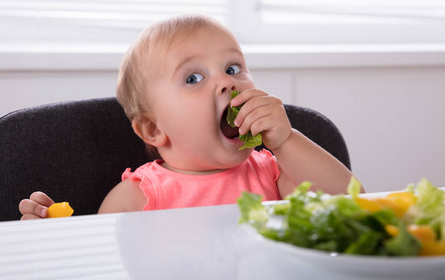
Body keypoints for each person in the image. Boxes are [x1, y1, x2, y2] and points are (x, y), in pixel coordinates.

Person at [19, 15, 355, 220]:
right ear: (153, 129)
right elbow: (103, 265)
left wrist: (286, 141)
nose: (227, 81)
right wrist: (48, 238)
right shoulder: (138, 196)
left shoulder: (273, 173)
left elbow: (350, 202)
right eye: (193, 78)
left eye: (233, 68)